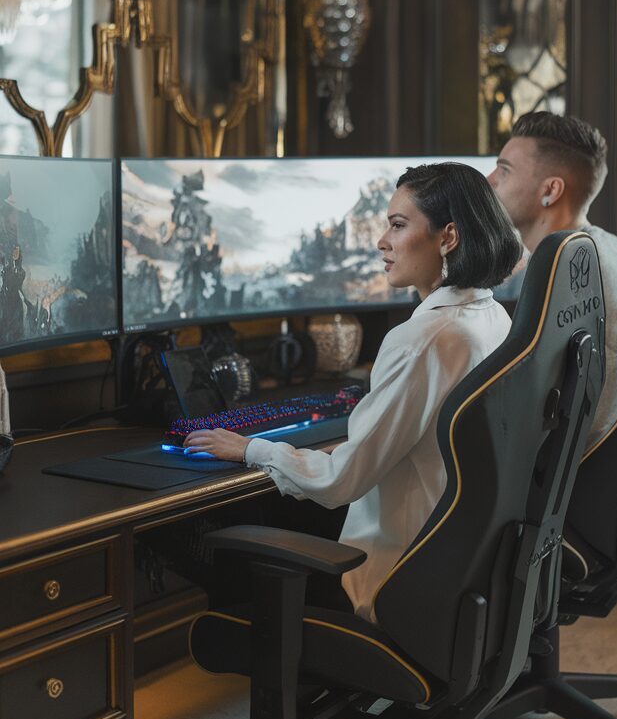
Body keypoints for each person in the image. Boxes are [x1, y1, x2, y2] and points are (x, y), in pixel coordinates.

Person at [184, 162, 521, 620]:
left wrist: (251, 448)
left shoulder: (423, 340)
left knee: (198, 531)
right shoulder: (494, 317)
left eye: (398, 226)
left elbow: (342, 479)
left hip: (392, 576)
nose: (381, 240)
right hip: (460, 567)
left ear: (448, 238)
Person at [489, 111, 617, 446]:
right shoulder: (610, 248)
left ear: (550, 190)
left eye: (504, 170)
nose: (490, 179)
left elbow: (591, 422)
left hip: (565, 485)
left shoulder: (571, 274)